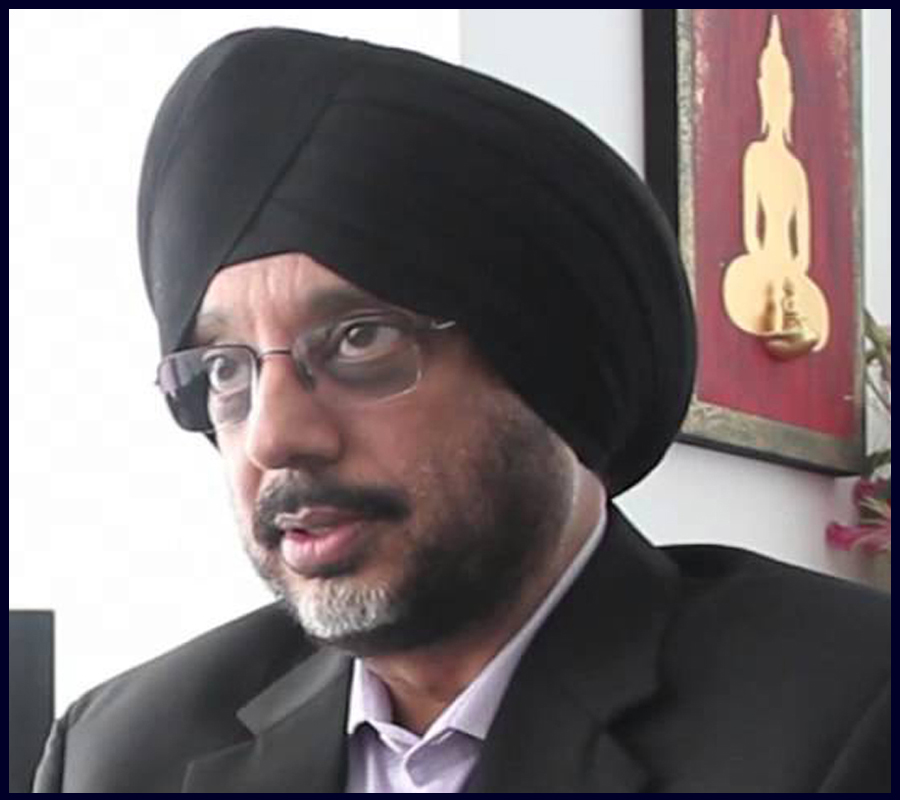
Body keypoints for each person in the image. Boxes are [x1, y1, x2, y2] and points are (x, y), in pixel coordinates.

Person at [33, 27, 889, 793]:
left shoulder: (851, 711)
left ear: (548, 370)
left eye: (360, 340)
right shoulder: (121, 751)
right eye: (226, 368)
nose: (274, 436)